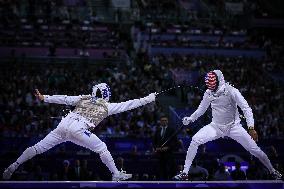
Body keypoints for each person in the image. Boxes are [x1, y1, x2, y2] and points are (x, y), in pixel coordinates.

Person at [3, 83, 156, 181]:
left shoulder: (84, 98)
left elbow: (65, 98)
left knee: (39, 147)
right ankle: (116, 174)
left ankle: (15, 164)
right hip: (79, 129)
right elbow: (130, 104)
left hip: (63, 125)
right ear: (106, 94)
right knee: (102, 148)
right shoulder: (107, 106)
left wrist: (45, 98)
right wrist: (149, 98)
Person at [174, 70, 282, 180]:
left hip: (234, 127)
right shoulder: (208, 93)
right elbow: (201, 110)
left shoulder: (232, 91)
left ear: (219, 81)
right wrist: (190, 118)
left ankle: (273, 171)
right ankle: (185, 173)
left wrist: (251, 128)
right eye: (209, 85)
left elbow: (246, 108)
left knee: (254, 149)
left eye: (213, 85)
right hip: (216, 127)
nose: (211, 88)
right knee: (195, 140)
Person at [153, 115, 178, 180]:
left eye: (165, 120)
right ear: (160, 122)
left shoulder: (171, 130)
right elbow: (154, 141)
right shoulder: (157, 130)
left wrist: (168, 147)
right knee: (160, 170)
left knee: (168, 170)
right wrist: (156, 148)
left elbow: (175, 142)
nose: (164, 122)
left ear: (167, 121)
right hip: (159, 155)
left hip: (169, 154)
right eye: (162, 120)